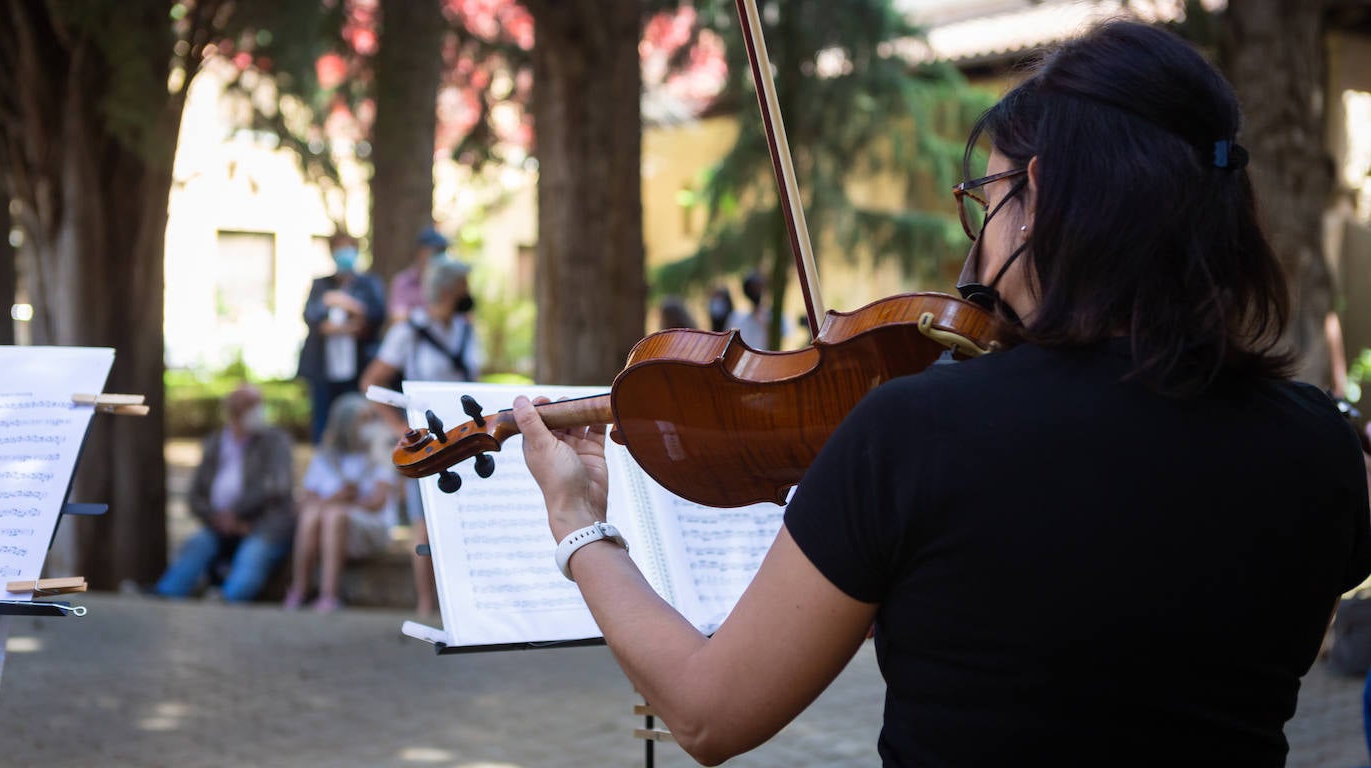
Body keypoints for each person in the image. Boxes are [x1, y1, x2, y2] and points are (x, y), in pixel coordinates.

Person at [510, 21, 1371, 766]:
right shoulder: (1321, 450)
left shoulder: (917, 433)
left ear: (1037, 199)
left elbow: (706, 713)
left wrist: (582, 526)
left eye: (985, 200)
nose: (974, 255)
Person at [359, 256, 480, 616]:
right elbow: (371, 383)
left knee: (462, 521)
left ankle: (462, 606)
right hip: (426, 442)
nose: (467, 294)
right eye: (463, 287)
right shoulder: (408, 331)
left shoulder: (466, 331)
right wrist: (400, 427)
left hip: (465, 438)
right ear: (446, 290)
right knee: (424, 527)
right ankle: (427, 606)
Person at [155, 384, 294, 602]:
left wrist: (235, 514)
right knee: (197, 545)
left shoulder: (275, 440)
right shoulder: (214, 443)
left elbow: (276, 485)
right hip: (219, 525)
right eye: (252, 406)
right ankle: (165, 595)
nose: (259, 411)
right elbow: (195, 495)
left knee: (253, 555)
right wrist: (217, 518)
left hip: (263, 526)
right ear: (234, 412)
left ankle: (226, 600)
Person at [284, 393, 395, 613]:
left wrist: (343, 503)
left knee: (334, 515)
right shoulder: (325, 457)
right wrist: (335, 499)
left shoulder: (380, 454)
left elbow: (377, 503)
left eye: (371, 419)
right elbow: (305, 500)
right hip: (327, 526)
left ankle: (329, 595)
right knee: (311, 515)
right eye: (363, 420)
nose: (370, 426)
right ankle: (299, 590)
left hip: (370, 527)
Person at [297, 232, 386, 444]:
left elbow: (375, 317)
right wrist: (349, 325)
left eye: (348, 249)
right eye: (339, 249)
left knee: (357, 418)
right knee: (323, 421)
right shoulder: (321, 284)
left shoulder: (368, 284)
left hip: (357, 367)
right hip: (324, 367)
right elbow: (313, 318)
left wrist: (345, 303)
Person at [388, 226, 449, 325]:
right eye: (435, 251)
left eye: (441, 251)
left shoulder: (448, 282)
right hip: (412, 337)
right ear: (420, 252)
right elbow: (397, 317)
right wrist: (426, 315)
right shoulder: (403, 281)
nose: (438, 256)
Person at [727, 271, 787, 349]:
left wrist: (766, 324)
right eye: (752, 288)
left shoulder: (775, 316)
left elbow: (782, 335)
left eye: (759, 287)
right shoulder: (735, 318)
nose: (756, 291)